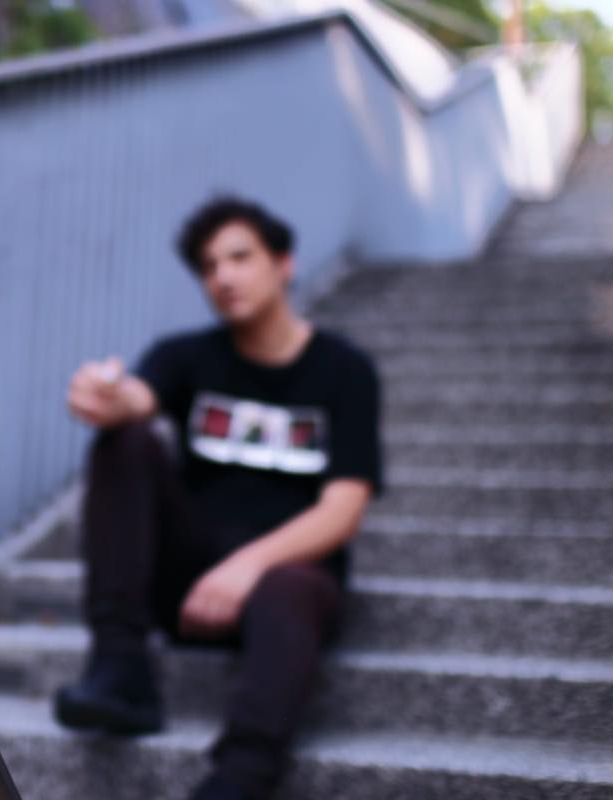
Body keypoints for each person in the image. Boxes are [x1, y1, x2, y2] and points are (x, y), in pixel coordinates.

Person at [53, 197, 382, 800]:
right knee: (125, 440)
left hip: (287, 586)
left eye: (240, 257)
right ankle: (121, 668)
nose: (223, 276)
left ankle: (241, 777)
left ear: (283, 263)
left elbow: (344, 509)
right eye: (209, 267)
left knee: (289, 586)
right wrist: (106, 397)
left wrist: (247, 567)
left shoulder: (345, 370)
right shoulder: (186, 356)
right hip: (190, 584)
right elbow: (138, 398)